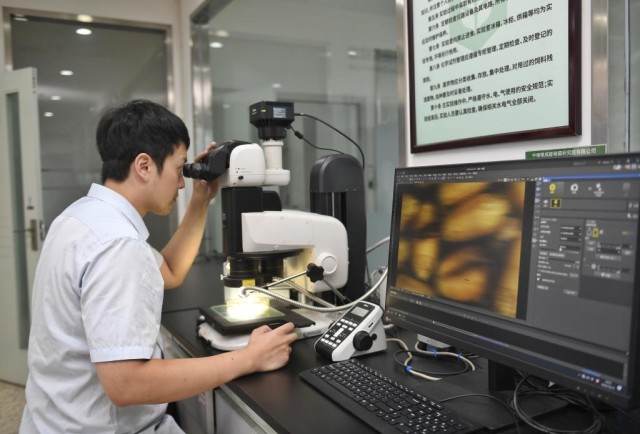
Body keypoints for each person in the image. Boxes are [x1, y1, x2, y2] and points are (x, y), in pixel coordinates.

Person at [20, 99, 298, 433]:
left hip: (53, 419)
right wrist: (249, 358)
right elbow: (127, 384)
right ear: (144, 166)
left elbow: (169, 270)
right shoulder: (119, 246)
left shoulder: (82, 216)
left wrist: (201, 199)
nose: (181, 183)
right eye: (180, 169)